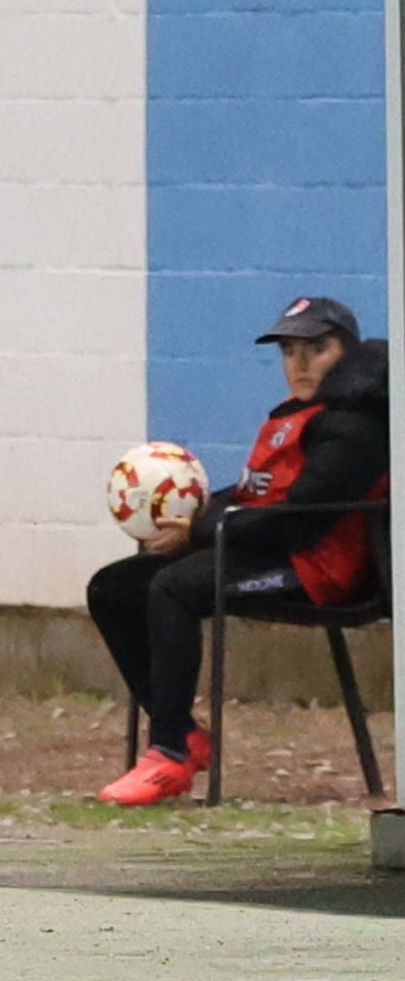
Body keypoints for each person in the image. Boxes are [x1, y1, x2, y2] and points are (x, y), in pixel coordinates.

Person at [90, 296, 389, 807]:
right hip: (268, 547)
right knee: (115, 588)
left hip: (317, 570)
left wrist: (204, 531)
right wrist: (195, 514)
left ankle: (167, 756)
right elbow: (259, 496)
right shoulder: (296, 414)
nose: (298, 364)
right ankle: (181, 731)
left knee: (175, 588)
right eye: (289, 351)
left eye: (316, 349)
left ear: (348, 351)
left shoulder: (354, 424)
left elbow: (298, 520)